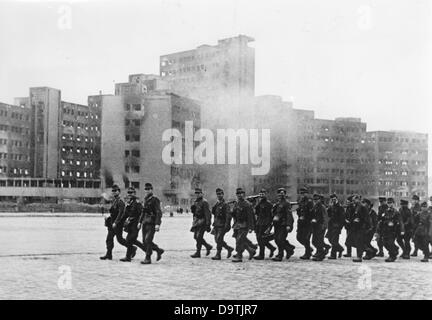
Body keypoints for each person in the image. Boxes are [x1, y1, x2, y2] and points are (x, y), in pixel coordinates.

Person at [100, 184, 134, 260]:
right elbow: (113, 212)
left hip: (117, 224)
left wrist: (116, 222)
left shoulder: (120, 201)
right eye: (113, 191)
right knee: (109, 238)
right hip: (112, 223)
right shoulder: (114, 201)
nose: (114, 192)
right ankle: (109, 254)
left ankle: (132, 248)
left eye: (116, 191)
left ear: (119, 192)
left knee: (120, 240)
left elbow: (121, 213)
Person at [137, 183, 164, 264]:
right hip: (145, 222)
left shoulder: (155, 199)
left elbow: (158, 212)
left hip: (152, 223)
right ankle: (159, 250)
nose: (147, 191)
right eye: (146, 189)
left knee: (148, 240)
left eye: (148, 189)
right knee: (144, 241)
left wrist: (157, 224)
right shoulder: (145, 199)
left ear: (151, 190)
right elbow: (143, 212)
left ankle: (148, 258)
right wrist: (140, 222)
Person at [119, 187, 147, 262]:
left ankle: (128, 257)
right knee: (132, 240)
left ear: (134, 194)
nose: (130, 194)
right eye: (128, 193)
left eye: (131, 193)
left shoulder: (137, 203)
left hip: (135, 224)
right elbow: (125, 214)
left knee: (129, 239)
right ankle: (146, 250)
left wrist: (139, 222)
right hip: (130, 225)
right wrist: (120, 221)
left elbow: (142, 214)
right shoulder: (129, 203)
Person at [376, 197, 404, 262]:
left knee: (390, 243)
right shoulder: (385, 211)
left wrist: (402, 230)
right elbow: (381, 220)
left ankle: (392, 256)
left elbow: (400, 221)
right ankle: (395, 249)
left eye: (390, 203)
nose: (389, 204)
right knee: (385, 243)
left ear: (393, 203)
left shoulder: (396, 212)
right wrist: (378, 229)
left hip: (393, 230)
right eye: (388, 203)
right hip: (385, 230)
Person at [231, 188, 256, 262]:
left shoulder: (247, 204)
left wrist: (251, 227)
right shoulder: (237, 203)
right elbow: (234, 214)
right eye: (238, 194)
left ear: (244, 194)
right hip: (237, 224)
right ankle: (251, 250)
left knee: (240, 240)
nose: (239, 195)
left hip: (244, 225)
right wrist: (231, 212)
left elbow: (250, 216)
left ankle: (239, 256)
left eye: (241, 194)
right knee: (239, 239)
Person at [271, 188, 294, 262]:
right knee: (276, 239)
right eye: (279, 193)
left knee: (280, 239)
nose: (281, 195)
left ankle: (280, 255)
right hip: (277, 224)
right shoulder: (277, 203)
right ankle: (289, 249)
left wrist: (288, 225)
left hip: (283, 224)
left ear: (284, 194)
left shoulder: (286, 203)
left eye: (283, 193)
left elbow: (289, 215)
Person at [210, 188, 234, 260]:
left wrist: (227, 225)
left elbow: (228, 216)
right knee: (217, 240)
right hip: (216, 224)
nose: (219, 195)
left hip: (222, 225)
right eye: (218, 194)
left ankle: (218, 254)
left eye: (220, 194)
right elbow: (214, 212)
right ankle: (229, 248)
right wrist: (216, 204)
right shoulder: (217, 204)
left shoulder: (225, 205)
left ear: (223, 195)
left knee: (219, 239)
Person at [253, 189, 276, 260]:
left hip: (265, 223)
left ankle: (261, 255)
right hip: (259, 222)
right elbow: (256, 212)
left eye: (263, 194)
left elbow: (271, 215)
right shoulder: (259, 203)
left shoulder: (269, 204)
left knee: (261, 238)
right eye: (260, 194)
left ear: (266, 194)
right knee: (259, 238)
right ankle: (271, 248)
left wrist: (269, 226)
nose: (261, 195)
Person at [190, 188, 213, 258]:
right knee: (195, 237)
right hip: (197, 221)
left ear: (201, 194)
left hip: (203, 221)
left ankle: (198, 252)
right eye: (196, 193)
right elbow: (194, 213)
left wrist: (208, 224)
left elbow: (207, 214)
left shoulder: (204, 202)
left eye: (199, 193)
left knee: (199, 236)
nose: (197, 194)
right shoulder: (195, 202)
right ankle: (208, 246)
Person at [348, 195, 371, 262]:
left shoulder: (362, 207)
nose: (353, 202)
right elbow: (353, 216)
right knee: (355, 242)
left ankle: (359, 256)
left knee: (359, 242)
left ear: (358, 199)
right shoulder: (355, 207)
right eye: (352, 200)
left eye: (354, 200)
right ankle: (369, 250)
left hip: (361, 228)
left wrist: (360, 221)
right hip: (356, 227)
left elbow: (366, 218)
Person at [296, 187, 314, 259]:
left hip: (307, 223)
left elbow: (312, 213)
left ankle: (307, 253)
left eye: (304, 193)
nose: (302, 195)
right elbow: (300, 211)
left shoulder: (309, 201)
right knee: (299, 237)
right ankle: (309, 249)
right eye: (301, 193)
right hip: (301, 223)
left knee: (306, 238)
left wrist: (306, 217)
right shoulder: (300, 201)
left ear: (307, 193)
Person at [326, 193, 345, 259]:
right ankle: (340, 249)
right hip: (331, 226)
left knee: (334, 241)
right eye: (332, 199)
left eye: (334, 199)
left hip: (336, 226)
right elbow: (328, 215)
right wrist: (328, 208)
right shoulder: (331, 206)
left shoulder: (340, 207)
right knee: (330, 239)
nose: (333, 200)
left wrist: (340, 227)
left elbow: (342, 218)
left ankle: (333, 255)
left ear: (336, 199)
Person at [311, 193, 328, 261]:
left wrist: (324, 226)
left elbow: (325, 217)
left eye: (317, 199)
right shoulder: (315, 206)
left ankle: (320, 255)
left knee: (319, 241)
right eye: (314, 200)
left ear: (319, 200)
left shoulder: (322, 207)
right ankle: (320, 252)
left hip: (321, 226)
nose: (315, 201)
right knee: (314, 241)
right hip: (315, 226)